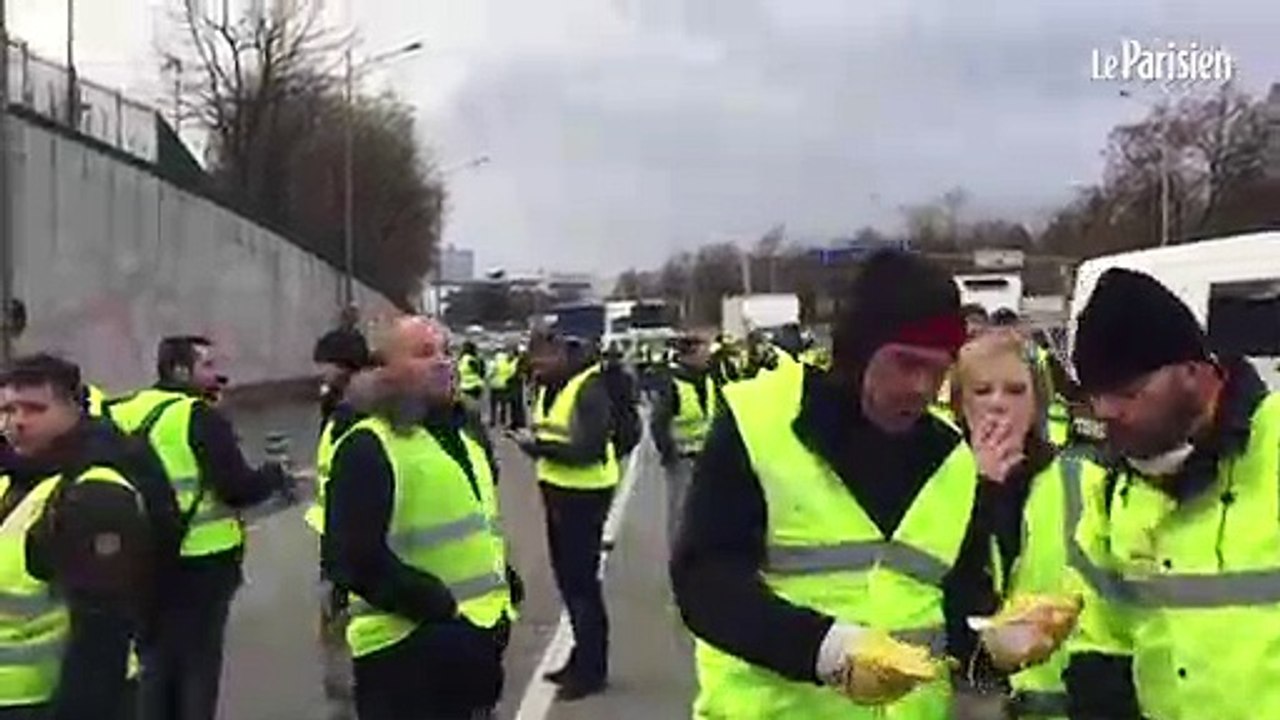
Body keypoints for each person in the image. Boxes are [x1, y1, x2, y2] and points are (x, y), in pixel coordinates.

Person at [672, 249, 1037, 718]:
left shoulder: (950, 457)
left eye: (939, 369)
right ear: (859, 352)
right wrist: (827, 651)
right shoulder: (758, 421)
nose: (923, 388)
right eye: (906, 364)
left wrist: (995, 646)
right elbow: (706, 584)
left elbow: (956, 602)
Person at [1064, 268, 1280, 720]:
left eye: (1128, 392)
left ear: (1193, 372)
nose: (1107, 412)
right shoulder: (1111, 487)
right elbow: (1100, 635)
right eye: (1095, 396)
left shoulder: (1272, 445)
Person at [323, 316, 519, 720]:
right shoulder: (368, 444)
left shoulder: (463, 438)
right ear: (386, 371)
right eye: (424, 353)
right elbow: (352, 560)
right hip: (404, 656)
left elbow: (474, 525)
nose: (443, 362)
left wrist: (504, 580)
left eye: (446, 351)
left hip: (473, 648)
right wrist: (435, 605)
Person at [105, 335, 293, 720]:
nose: (217, 375)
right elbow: (237, 488)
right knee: (197, 665)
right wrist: (274, 477)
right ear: (179, 370)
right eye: (206, 365)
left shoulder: (120, 411)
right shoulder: (198, 415)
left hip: (143, 558)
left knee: (154, 658)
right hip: (202, 560)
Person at [0, 354, 151, 720]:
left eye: (35, 408)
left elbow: (103, 632)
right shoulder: (15, 478)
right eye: (7, 409)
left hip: (52, 702)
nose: (16, 422)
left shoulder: (94, 492)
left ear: (73, 410)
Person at [949, 330, 1075, 719]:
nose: (999, 405)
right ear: (960, 403)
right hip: (970, 696)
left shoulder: (1076, 478)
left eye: (1016, 390)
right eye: (983, 391)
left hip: (1059, 698)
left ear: (1038, 400)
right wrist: (982, 489)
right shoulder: (937, 483)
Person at [513, 330, 618, 700]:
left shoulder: (588, 388)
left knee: (581, 582)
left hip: (585, 493)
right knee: (569, 581)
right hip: (558, 490)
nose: (536, 368)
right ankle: (581, 656)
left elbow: (588, 449)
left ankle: (592, 668)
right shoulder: (550, 387)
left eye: (542, 360)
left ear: (561, 356)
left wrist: (538, 447)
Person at [650, 334, 716, 548]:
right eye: (703, 351)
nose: (708, 356)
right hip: (683, 459)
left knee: (707, 512)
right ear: (690, 355)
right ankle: (679, 560)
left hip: (708, 457)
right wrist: (669, 455)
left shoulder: (707, 379)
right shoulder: (672, 383)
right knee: (681, 514)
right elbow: (659, 423)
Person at [313, 305, 372, 421]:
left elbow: (364, 358)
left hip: (348, 378)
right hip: (339, 378)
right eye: (349, 317)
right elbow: (319, 356)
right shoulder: (335, 338)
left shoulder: (356, 339)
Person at [457, 342, 486, 406]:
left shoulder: (460, 359)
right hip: (475, 386)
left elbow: (458, 373)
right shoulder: (474, 360)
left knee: (465, 407)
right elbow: (481, 372)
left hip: (463, 386)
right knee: (475, 406)